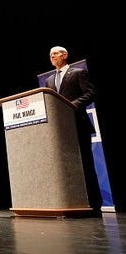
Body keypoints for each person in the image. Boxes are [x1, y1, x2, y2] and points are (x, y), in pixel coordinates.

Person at [44, 45, 102, 217]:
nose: (52, 56)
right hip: (60, 129)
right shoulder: (48, 81)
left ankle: (94, 205)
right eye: (50, 55)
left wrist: (72, 105)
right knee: (65, 166)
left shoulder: (77, 73)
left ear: (65, 55)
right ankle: (73, 204)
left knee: (84, 163)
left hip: (78, 124)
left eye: (55, 53)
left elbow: (90, 93)